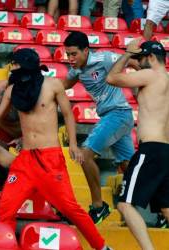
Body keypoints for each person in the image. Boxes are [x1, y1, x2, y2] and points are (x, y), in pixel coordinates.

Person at [0, 48, 112, 250]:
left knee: (70, 208)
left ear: (25, 64)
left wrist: (72, 144)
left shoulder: (53, 85)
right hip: (25, 159)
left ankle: (101, 247)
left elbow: (69, 115)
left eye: (15, 64)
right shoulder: (12, 90)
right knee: (6, 207)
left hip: (50, 158)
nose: (12, 68)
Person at [63, 31, 135, 224]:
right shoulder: (76, 69)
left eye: (73, 54)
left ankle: (98, 207)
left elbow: (132, 62)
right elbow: (63, 85)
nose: (70, 59)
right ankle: (160, 210)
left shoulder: (104, 58)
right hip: (114, 116)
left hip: (118, 113)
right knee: (129, 167)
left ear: (86, 50)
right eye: (67, 54)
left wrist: (146, 82)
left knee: (84, 154)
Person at [106, 39, 169, 249]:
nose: (139, 63)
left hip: (150, 149)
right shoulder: (165, 79)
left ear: (151, 58)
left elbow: (112, 78)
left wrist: (126, 55)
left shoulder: (151, 75)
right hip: (165, 150)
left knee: (124, 204)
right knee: (166, 208)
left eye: (141, 59)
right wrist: (136, 64)